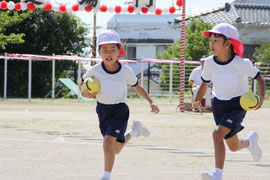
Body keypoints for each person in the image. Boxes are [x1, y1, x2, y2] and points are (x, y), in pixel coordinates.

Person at [78, 30, 160, 180]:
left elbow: (137, 87)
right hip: (102, 111)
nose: (109, 53)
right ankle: (134, 132)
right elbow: (82, 82)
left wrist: (151, 101)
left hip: (119, 110)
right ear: (99, 52)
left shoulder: (126, 71)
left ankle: (105, 176)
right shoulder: (95, 70)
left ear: (119, 51)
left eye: (113, 50)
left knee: (107, 142)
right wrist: (84, 93)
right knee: (114, 149)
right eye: (105, 50)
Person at [193, 23, 266, 180]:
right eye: (210, 40)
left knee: (217, 134)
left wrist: (261, 97)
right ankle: (250, 142)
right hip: (219, 104)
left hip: (237, 105)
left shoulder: (241, 63)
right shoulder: (210, 62)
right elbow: (204, 82)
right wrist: (197, 100)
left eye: (216, 40)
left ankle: (217, 174)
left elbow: (259, 77)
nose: (211, 43)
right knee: (233, 146)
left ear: (227, 43)